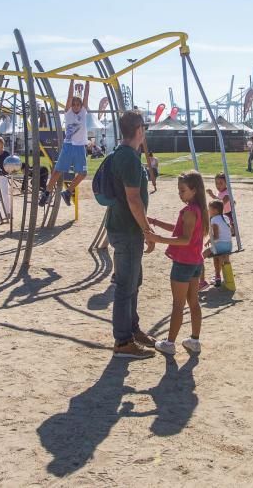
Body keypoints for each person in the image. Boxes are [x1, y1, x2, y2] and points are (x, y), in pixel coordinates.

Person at [107, 110, 158, 358]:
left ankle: (132, 329)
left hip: (127, 228)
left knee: (133, 282)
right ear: (139, 130)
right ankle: (122, 340)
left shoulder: (124, 154)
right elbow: (134, 199)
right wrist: (147, 230)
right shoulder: (127, 157)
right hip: (127, 229)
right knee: (126, 285)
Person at [145, 170, 208, 355]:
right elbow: (178, 229)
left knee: (178, 305)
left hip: (183, 263)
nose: (180, 194)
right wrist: (155, 221)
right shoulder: (199, 209)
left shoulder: (189, 211)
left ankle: (169, 343)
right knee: (193, 302)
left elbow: (184, 239)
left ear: (194, 190)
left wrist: (158, 239)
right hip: (196, 262)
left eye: (182, 190)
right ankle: (194, 340)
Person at [41, 80, 90, 207]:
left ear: (81, 106)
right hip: (68, 146)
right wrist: (71, 82)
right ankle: (46, 193)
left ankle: (67, 192)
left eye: (78, 104)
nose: (75, 106)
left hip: (80, 147)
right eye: (74, 104)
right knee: (58, 171)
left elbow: (86, 97)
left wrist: (88, 83)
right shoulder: (68, 114)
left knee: (83, 173)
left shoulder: (84, 113)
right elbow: (69, 97)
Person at [202, 199, 232, 288]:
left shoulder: (214, 219)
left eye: (209, 209)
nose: (208, 211)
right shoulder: (226, 217)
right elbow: (230, 231)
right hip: (229, 245)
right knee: (219, 256)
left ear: (215, 210)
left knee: (202, 256)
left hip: (220, 245)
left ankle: (203, 280)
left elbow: (216, 237)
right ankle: (227, 279)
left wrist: (209, 240)